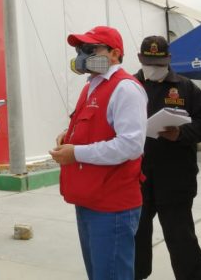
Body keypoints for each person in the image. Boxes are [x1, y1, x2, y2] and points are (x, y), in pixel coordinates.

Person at [50, 25, 148, 280]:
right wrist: (68, 135)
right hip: (89, 198)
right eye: (80, 49)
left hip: (112, 205)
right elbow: (97, 127)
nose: (82, 55)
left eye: (90, 49)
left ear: (114, 54)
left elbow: (131, 145)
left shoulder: (126, 88)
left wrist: (76, 153)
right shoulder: (92, 86)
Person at [133, 35, 201, 280]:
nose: (153, 68)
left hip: (176, 178)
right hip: (137, 178)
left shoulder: (186, 88)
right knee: (136, 237)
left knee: (181, 238)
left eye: (159, 63)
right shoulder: (128, 86)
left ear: (168, 59)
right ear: (139, 58)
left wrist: (180, 133)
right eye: (148, 62)